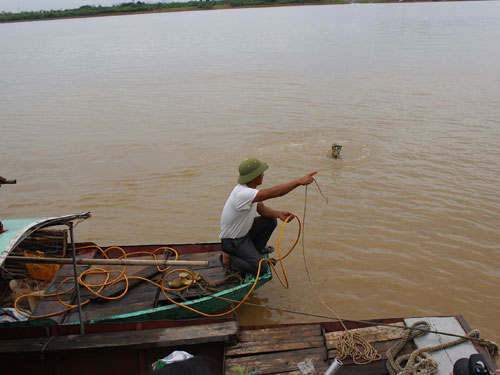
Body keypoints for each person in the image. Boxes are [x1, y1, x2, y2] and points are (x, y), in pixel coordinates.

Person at [220, 157, 317, 276]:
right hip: (233, 242)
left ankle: (257, 248)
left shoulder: (250, 191)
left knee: (270, 220)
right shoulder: (242, 194)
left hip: (244, 235)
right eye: (261, 173)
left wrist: (278, 214)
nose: (263, 175)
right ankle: (230, 259)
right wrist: (298, 181)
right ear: (255, 177)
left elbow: (262, 210)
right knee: (262, 269)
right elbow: (272, 193)